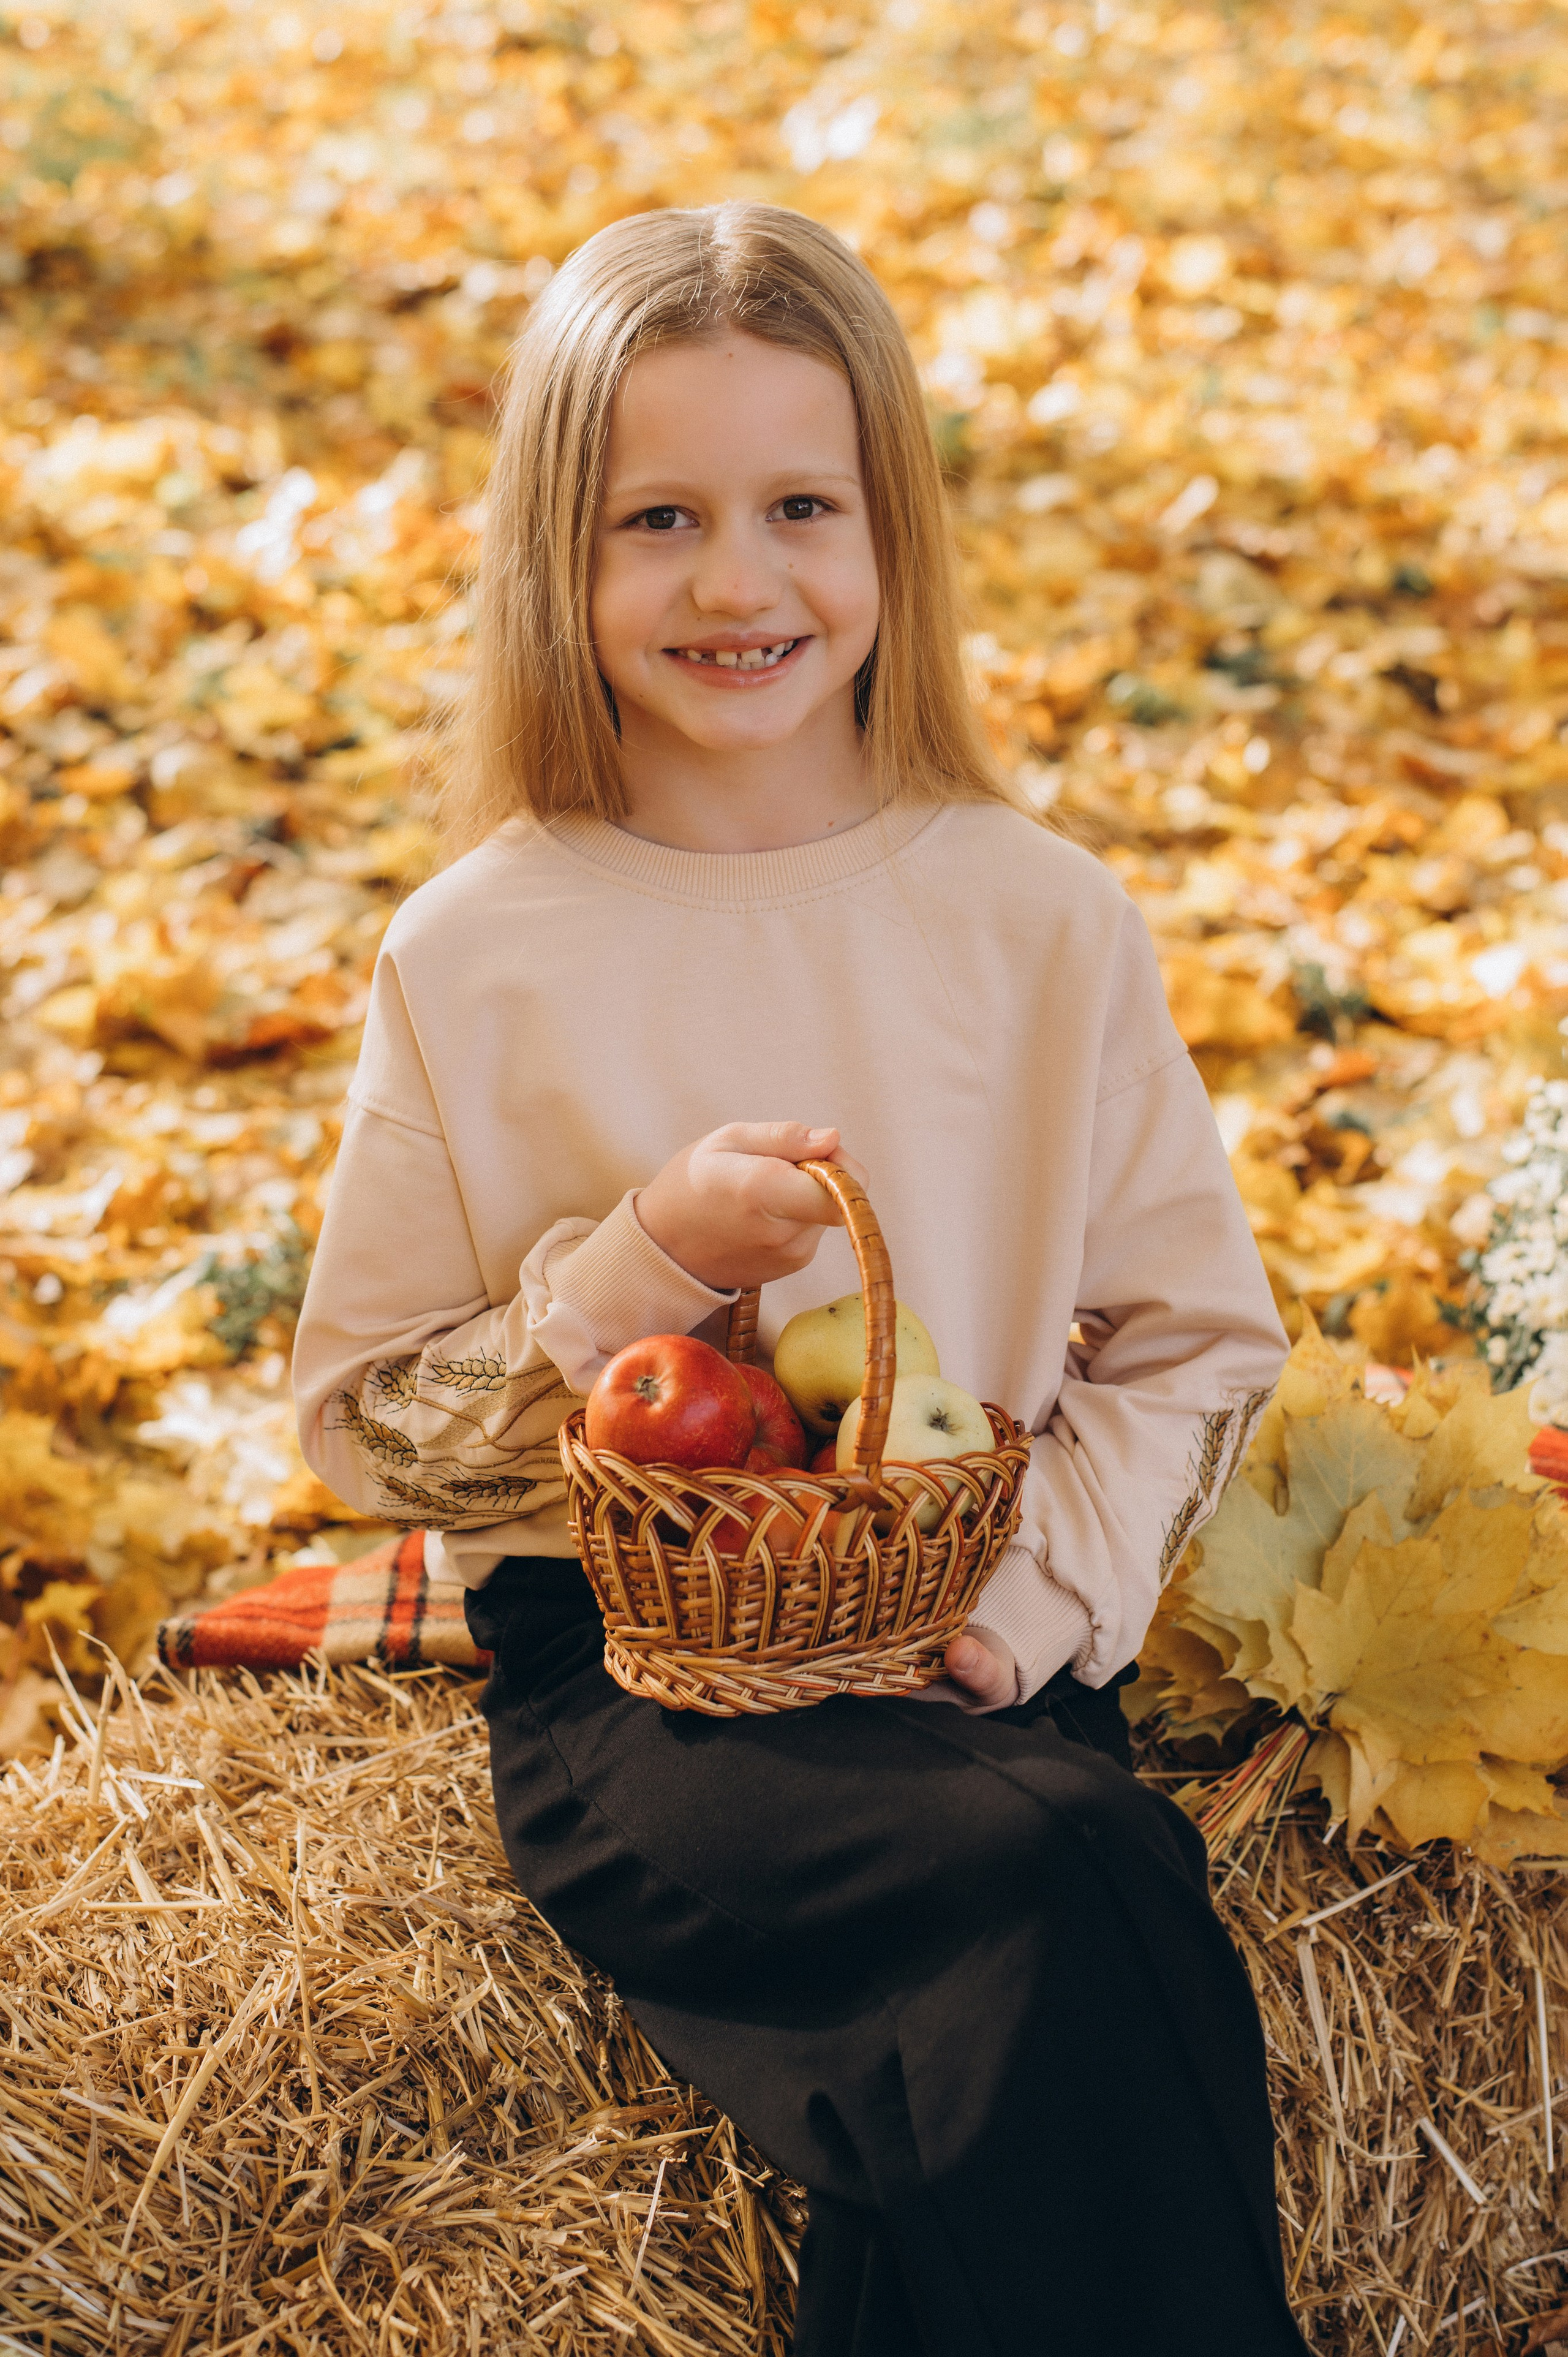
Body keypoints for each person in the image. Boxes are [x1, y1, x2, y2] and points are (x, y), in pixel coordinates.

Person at [294, 200, 1308, 2356]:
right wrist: (633, 1269)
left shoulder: (1039, 920)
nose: (736, 583)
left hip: (974, 1621)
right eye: (657, 516)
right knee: (1073, 1891)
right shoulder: (480, 947)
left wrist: (1035, 1611)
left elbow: (1195, 1340)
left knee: (1002, 2017)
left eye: (797, 508)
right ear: (553, 557)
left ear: (890, 536)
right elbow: (365, 1426)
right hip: (647, 1680)